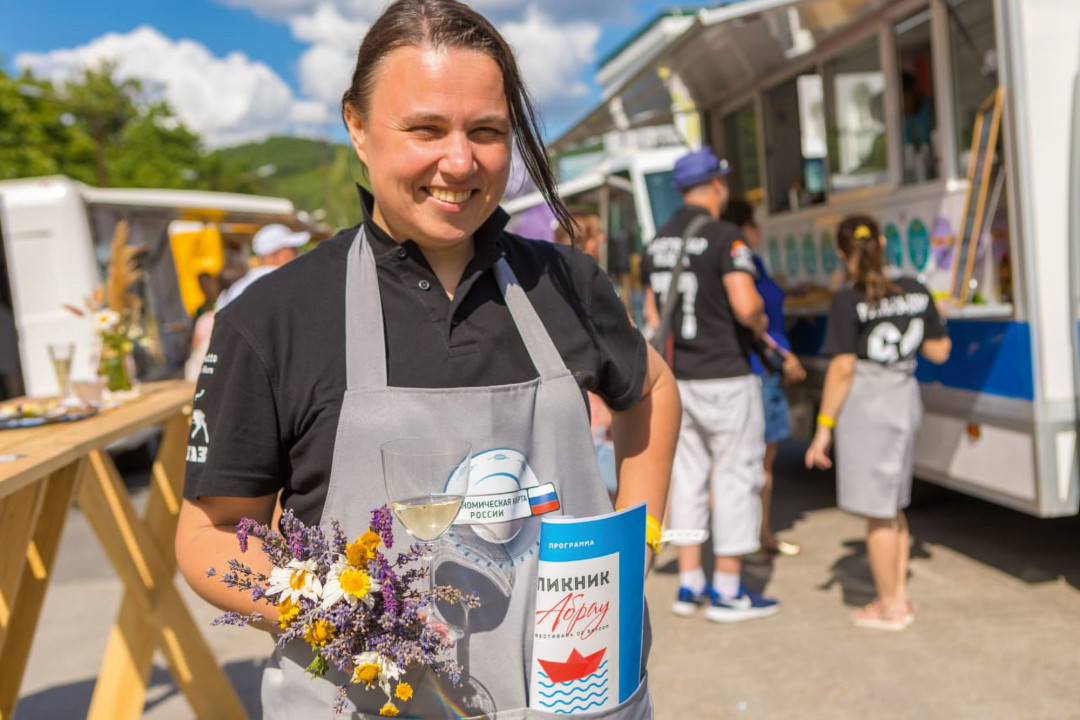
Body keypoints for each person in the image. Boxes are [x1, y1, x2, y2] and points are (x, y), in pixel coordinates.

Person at [174, 1, 680, 717]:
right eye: (424, 129)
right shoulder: (272, 318)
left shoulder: (568, 283)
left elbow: (652, 389)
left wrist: (641, 537)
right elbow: (208, 534)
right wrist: (332, 612)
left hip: (580, 690)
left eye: (487, 132)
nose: (460, 161)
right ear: (356, 125)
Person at [641, 148, 780, 623]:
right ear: (717, 185)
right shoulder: (727, 238)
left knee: (687, 480)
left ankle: (688, 583)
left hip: (679, 380)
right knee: (737, 476)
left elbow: (653, 317)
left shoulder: (656, 241)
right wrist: (761, 323)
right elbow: (746, 307)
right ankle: (727, 589)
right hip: (726, 375)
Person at [805, 214, 951, 631]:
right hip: (905, 399)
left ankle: (890, 606)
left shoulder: (847, 299)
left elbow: (843, 370)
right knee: (894, 505)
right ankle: (899, 596)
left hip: (870, 409)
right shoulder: (916, 289)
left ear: (840, 252)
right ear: (884, 244)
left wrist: (824, 427)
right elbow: (940, 350)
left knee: (878, 513)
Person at [721, 198, 806, 557]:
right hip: (760, 371)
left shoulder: (751, 262)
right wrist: (783, 358)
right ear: (743, 227)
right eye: (754, 224)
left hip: (763, 372)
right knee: (757, 464)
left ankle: (761, 533)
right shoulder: (740, 262)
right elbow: (750, 318)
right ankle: (754, 537)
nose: (759, 231)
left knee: (760, 463)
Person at [214, 223, 310, 311]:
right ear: (276, 254)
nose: (298, 254)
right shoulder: (285, 283)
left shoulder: (238, 287)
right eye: (293, 250)